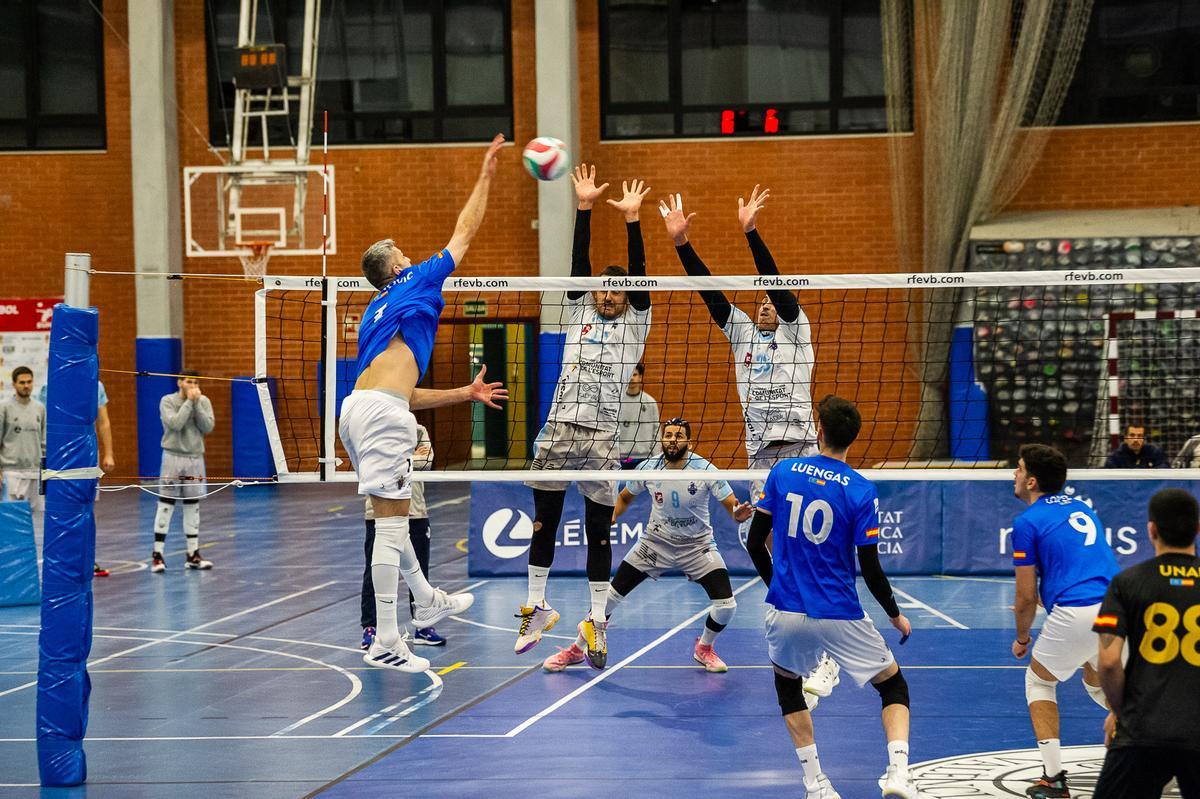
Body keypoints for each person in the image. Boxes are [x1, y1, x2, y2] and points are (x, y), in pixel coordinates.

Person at [660, 186, 840, 698]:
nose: (763, 306)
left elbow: (778, 286)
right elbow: (710, 294)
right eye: (756, 302)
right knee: (754, 542)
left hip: (804, 452)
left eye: (768, 303)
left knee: (808, 547)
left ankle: (825, 653)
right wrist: (682, 245)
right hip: (762, 456)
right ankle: (789, 606)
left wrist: (750, 233)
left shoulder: (796, 330)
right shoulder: (739, 333)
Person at [341, 134, 507, 675]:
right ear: (394, 267)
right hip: (383, 414)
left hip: (364, 409)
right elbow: (465, 231)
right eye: (403, 255)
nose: (411, 256)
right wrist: (485, 174)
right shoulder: (413, 280)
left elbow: (404, 393)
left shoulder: (375, 310)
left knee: (398, 514)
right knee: (391, 527)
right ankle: (388, 638)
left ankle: (428, 600)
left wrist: (464, 393)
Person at [745, 395, 917, 799]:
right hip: (840, 611)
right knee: (893, 687)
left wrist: (779, 587)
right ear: (853, 439)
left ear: (818, 431)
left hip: (785, 610)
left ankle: (815, 785)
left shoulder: (783, 471)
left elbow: (755, 543)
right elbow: (870, 568)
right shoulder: (861, 490)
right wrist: (894, 614)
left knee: (788, 688)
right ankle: (897, 773)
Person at [516, 166, 653, 669]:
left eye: (617, 290)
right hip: (558, 429)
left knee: (599, 532)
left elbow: (640, 275)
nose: (609, 294)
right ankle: (537, 606)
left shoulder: (637, 320)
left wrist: (633, 219)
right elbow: (578, 263)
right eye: (603, 289)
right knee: (542, 524)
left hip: (601, 438)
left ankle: (596, 622)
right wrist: (584, 208)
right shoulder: (578, 312)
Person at [542, 418, 752, 674]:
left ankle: (704, 648)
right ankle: (576, 650)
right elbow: (624, 497)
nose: (673, 439)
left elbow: (730, 503)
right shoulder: (649, 468)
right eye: (668, 435)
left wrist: (737, 513)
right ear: (662, 439)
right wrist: (613, 516)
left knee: (727, 606)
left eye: (679, 435)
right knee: (607, 600)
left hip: (697, 546)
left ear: (689, 441)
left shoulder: (705, 469)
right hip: (655, 543)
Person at [1010, 443, 1119, 799]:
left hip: (1079, 611)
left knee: (1038, 683)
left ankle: (1054, 779)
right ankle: (1166, 737)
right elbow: (1083, 563)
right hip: (1119, 606)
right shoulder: (1082, 507)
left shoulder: (1026, 522)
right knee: (1098, 681)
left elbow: (1025, 597)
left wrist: (1023, 638)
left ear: (1032, 482)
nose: (1015, 473)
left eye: (1019, 468)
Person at [1092, 488, 1200, 799]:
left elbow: (1110, 661)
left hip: (1143, 729)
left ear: (1151, 529)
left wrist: (1121, 712)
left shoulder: (1127, 582)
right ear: (1197, 528)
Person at [360, 424, 444, 649]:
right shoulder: (372, 429)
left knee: (419, 572)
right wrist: (408, 459)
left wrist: (393, 462)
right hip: (378, 513)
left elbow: (426, 462)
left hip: (415, 512)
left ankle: (423, 626)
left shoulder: (418, 430)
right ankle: (371, 628)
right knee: (374, 571)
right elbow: (370, 466)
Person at [38, 378, 114, 577]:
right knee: (58, 508)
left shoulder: (96, 386)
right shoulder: (50, 385)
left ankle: (88, 559)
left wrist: (109, 453)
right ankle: (59, 558)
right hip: (59, 458)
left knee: (86, 508)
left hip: (86, 457)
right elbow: (44, 422)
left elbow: (103, 421)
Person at [150, 371, 215, 572]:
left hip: (194, 458)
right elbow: (175, 424)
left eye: (195, 382)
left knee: (192, 505)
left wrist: (196, 404)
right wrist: (188, 402)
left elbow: (208, 427)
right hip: (172, 456)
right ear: (180, 382)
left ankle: (193, 554)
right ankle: (158, 555)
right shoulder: (167, 401)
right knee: (166, 504)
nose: (192, 385)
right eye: (188, 381)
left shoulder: (203, 401)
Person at [0, 367, 46, 515]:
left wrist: (45, 471)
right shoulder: (4, 407)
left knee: (32, 517)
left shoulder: (40, 408)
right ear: (14, 384)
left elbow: (43, 442)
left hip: (34, 471)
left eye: (29, 382)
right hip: (11, 472)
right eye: (22, 382)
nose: (26, 386)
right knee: (13, 517)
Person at [617, 362, 659, 469]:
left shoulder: (650, 402)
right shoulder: (617, 402)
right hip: (621, 458)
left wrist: (656, 458)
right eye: (629, 374)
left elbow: (656, 431)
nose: (632, 378)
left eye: (634, 375)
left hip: (644, 459)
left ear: (640, 377)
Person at [1104, 424, 1169, 468]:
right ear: (1125, 438)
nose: (1135, 439)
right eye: (1132, 435)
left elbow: (1165, 468)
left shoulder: (1155, 453)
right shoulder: (1115, 457)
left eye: (1140, 436)